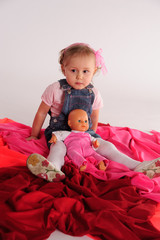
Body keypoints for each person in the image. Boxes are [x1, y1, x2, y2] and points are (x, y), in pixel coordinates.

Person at [27, 42, 160, 181]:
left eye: (85, 71)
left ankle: (138, 165)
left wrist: (92, 138)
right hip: (59, 133)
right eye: (73, 70)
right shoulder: (55, 89)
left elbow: (94, 116)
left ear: (94, 71)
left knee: (108, 146)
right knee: (58, 148)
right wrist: (34, 135)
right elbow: (41, 112)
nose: (79, 76)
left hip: (84, 133)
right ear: (63, 68)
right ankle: (53, 167)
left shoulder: (93, 93)